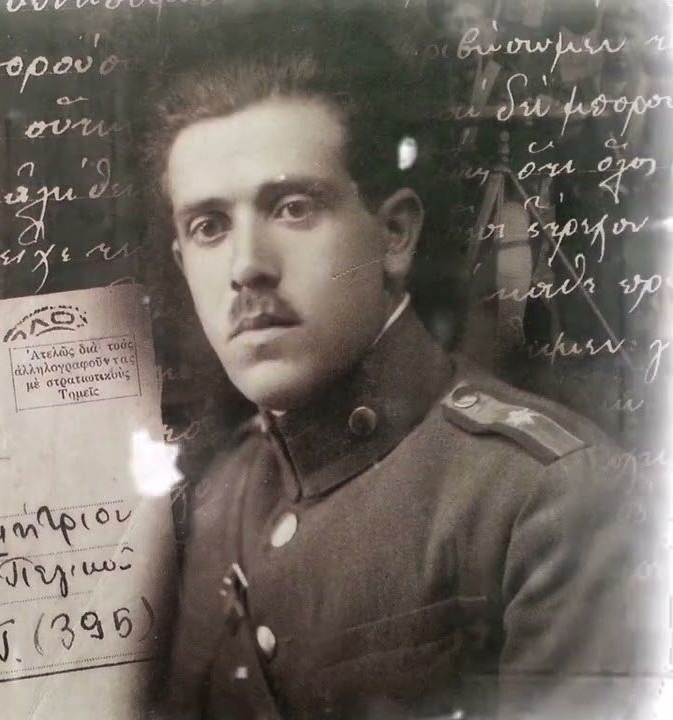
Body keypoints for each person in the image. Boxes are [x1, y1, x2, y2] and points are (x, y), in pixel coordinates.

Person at [142, 9, 664, 720]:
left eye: (292, 208)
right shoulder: (218, 501)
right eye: (209, 227)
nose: (246, 267)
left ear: (393, 235)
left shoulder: (547, 502)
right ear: (182, 263)